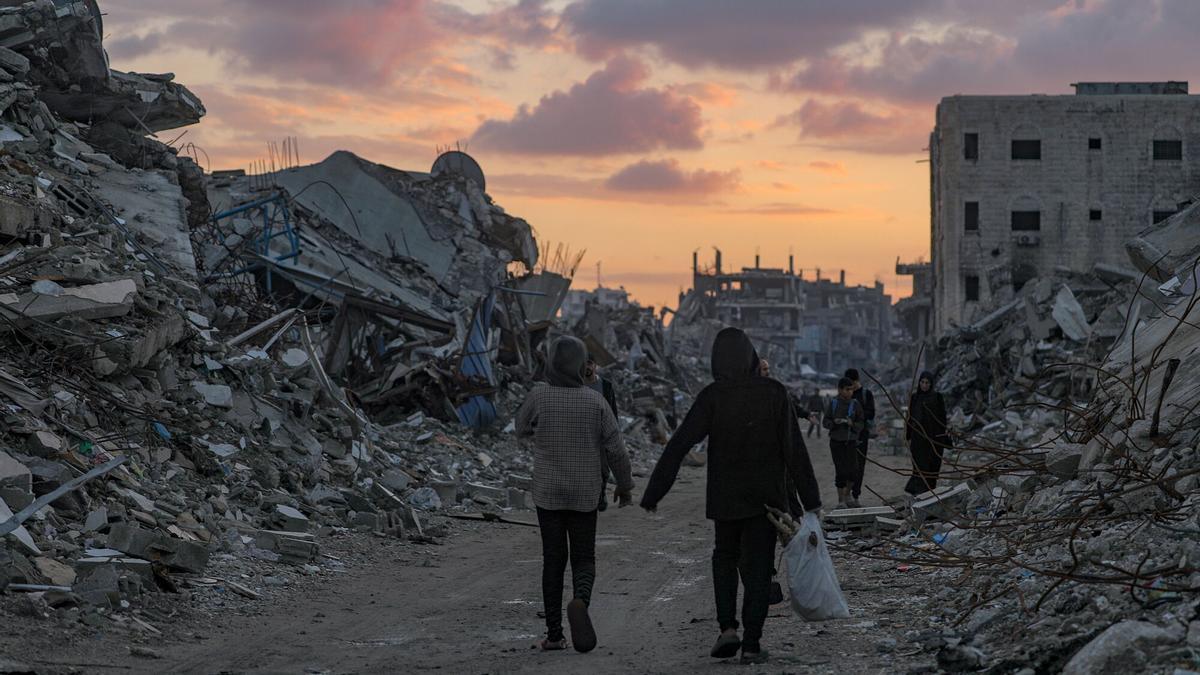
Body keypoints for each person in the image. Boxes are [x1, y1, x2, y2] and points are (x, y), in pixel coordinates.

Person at [641, 327, 822, 666]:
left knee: (724, 558)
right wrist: (810, 501)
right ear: (751, 356)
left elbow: (680, 443)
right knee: (756, 571)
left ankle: (727, 628)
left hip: (725, 499)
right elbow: (794, 450)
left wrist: (654, 493)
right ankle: (752, 644)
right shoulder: (774, 393)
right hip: (766, 501)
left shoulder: (713, 396)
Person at [516, 336, 635, 654]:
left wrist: (540, 434)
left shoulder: (539, 396)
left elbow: (520, 427)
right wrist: (624, 487)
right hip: (585, 491)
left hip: (548, 492)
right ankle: (580, 601)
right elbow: (617, 450)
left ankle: (554, 635)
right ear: (582, 365)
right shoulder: (596, 402)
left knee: (553, 560)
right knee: (583, 558)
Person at [905, 371, 951, 495]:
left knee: (932, 468)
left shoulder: (937, 397)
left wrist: (942, 436)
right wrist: (908, 436)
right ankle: (919, 494)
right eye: (922, 382)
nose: (924, 385)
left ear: (931, 384)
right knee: (919, 468)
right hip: (918, 440)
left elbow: (942, 419)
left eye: (927, 383)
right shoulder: (915, 398)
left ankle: (929, 494)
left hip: (934, 440)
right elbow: (910, 418)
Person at [584, 356, 620, 512]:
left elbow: (612, 410)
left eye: (590, 363)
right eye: (583, 363)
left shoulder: (605, 385)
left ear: (595, 365)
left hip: (602, 433)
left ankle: (601, 493)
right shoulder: (576, 385)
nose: (587, 367)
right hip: (582, 433)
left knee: (603, 469)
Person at [824, 377, 865, 509]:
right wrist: (834, 423)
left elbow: (861, 423)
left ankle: (848, 495)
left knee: (853, 471)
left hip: (851, 441)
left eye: (851, 390)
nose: (850, 392)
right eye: (847, 390)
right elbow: (826, 421)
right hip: (836, 442)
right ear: (840, 390)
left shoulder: (855, 404)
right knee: (840, 471)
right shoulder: (834, 403)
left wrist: (851, 424)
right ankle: (841, 500)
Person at [844, 368, 876, 508]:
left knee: (859, 466)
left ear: (857, 381)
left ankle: (855, 495)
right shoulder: (846, 394)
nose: (850, 388)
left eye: (852, 384)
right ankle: (846, 495)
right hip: (846, 435)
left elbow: (871, 413)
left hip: (862, 434)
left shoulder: (866, 394)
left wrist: (857, 417)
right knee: (846, 465)